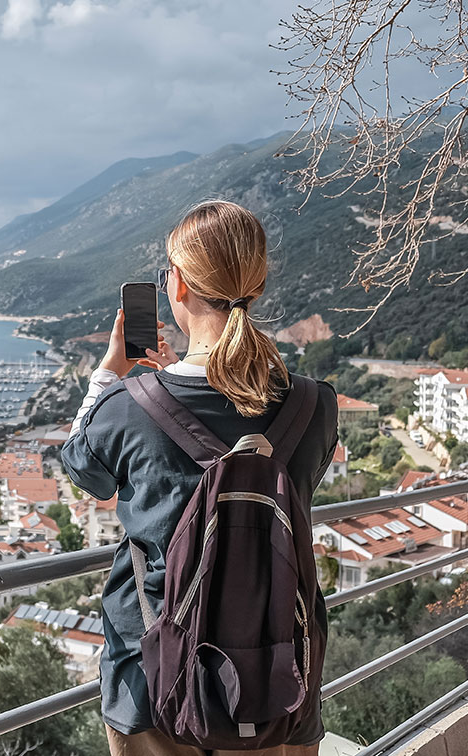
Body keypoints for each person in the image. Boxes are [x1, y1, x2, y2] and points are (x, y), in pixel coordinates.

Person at [61, 200, 338, 756]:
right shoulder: (315, 406)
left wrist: (110, 376)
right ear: (257, 285)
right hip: (278, 673)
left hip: (153, 677)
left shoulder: (129, 406)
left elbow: (83, 468)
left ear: (179, 285)